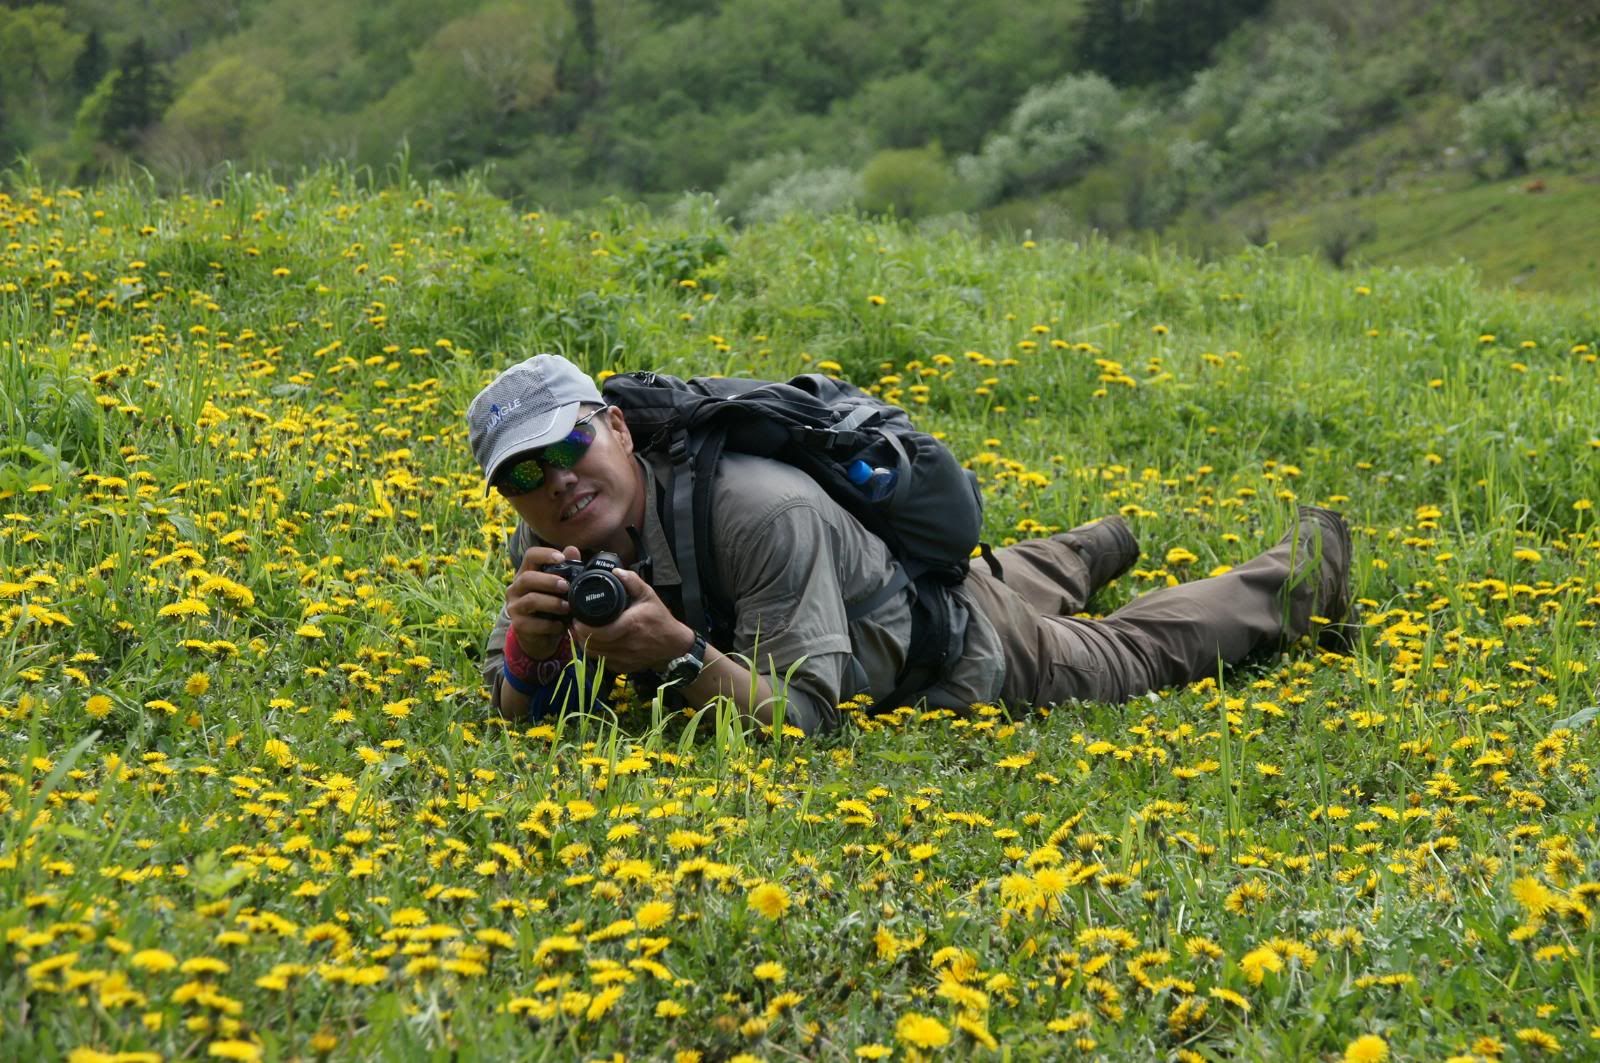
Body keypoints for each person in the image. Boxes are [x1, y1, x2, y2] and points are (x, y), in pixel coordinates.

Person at [469, 354, 1353, 734]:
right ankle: (1100, 541)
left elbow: (803, 721)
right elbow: (526, 712)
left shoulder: (760, 512)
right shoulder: (550, 543)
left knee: (1138, 651)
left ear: (619, 427)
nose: (556, 482)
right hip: (887, 583)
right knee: (994, 576)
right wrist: (530, 653)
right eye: (523, 473)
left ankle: (1310, 563)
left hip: (966, 648)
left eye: (570, 445)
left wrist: (681, 654)